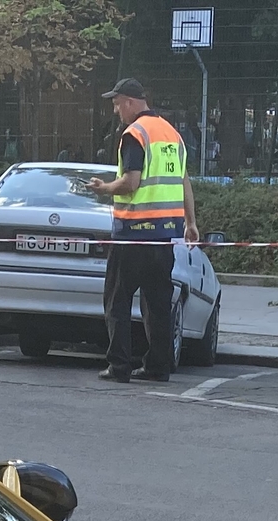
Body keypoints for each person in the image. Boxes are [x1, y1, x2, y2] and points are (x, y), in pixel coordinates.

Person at [80, 79, 198, 383]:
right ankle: (158, 366)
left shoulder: (135, 134)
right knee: (158, 304)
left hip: (133, 235)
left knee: (117, 300)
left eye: (117, 104)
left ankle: (118, 366)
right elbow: (184, 182)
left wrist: (104, 188)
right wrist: (192, 223)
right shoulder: (172, 135)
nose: (117, 110)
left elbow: (131, 183)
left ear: (130, 101)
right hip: (164, 238)